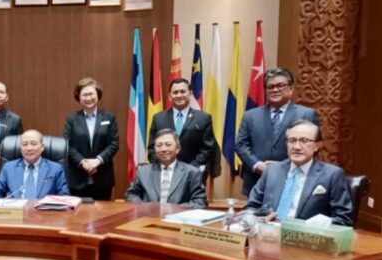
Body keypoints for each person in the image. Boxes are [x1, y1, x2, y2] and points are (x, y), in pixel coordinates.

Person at [246, 120, 352, 226]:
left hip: (306, 234)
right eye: (292, 141)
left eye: (304, 141)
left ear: (317, 146)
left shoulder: (332, 175)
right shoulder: (272, 170)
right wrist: (257, 218)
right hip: (268, 232)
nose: (297, 147)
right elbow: (251, 207)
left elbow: (343, 219)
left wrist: (311, 225)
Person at [236, 67, 319, 195]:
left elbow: (311, 146)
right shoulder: (250, 115)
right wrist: (257, 165)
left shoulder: (306, 114)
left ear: (291, 89)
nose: (275, 90)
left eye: (280, 86)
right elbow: (241, 145)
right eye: (270, 87)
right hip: (257, 180)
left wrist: (282, 167)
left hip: (294, 178)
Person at [63, 77, 119, 200]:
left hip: (102, 176)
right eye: (84, 95)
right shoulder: (71, 119)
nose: (88, 98)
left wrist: (98, 161)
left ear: (98, 95)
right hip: (78, 177)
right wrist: (83, 162)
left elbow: (114, 143)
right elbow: (67, 145)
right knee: (78, 211)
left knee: (103, 211)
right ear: (79, 97)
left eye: (91, 94)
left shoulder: (109, 117)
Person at [147, 78, 216, 177]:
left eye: (182, 91)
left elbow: (207, 149)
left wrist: (188, 170)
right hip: (164, 174)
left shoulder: (203, 118)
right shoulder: (158, 119)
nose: (179, 95)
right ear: (170, 96)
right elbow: (152, 148)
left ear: (190, 94)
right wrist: (165, 167)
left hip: (192, 174)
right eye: (175, 92)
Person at [125, 129, 207, 208]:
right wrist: (144, 207)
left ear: (177, 149)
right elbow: (131, 194)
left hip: (178, 216)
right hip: (148, 215)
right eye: (159, 145)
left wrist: (175, 209)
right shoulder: (143, 172)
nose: (163, 149)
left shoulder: (192, 173)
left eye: (168, 145)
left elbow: (200, 201)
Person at [0, 130, 70, 199]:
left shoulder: (55, 169)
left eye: (33, 144)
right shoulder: (8, 168)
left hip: (44, 211)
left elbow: (65, 197)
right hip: (15, 210)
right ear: (21, 148)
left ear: (42, 147)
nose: (29, 148)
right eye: (25, 144)